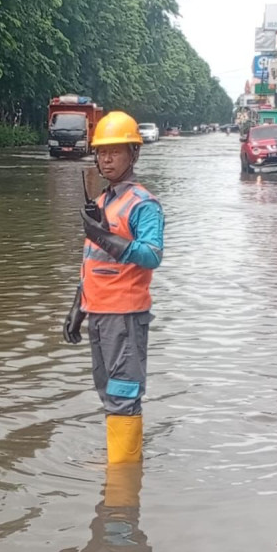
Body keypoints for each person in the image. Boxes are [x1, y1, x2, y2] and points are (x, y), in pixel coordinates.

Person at [63, 111, 164, 464]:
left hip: (125, 314)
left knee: (123, 393)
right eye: (102, 153)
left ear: (133, 154)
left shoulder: (143, 204)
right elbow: (90, 261)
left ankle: (122, 493)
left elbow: (152, 255)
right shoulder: (102, 202)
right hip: (99, 314)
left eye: (115, 152)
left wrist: (105, 236)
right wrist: (78, 306)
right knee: (107, 391)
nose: (106, 159)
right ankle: (120, 471)